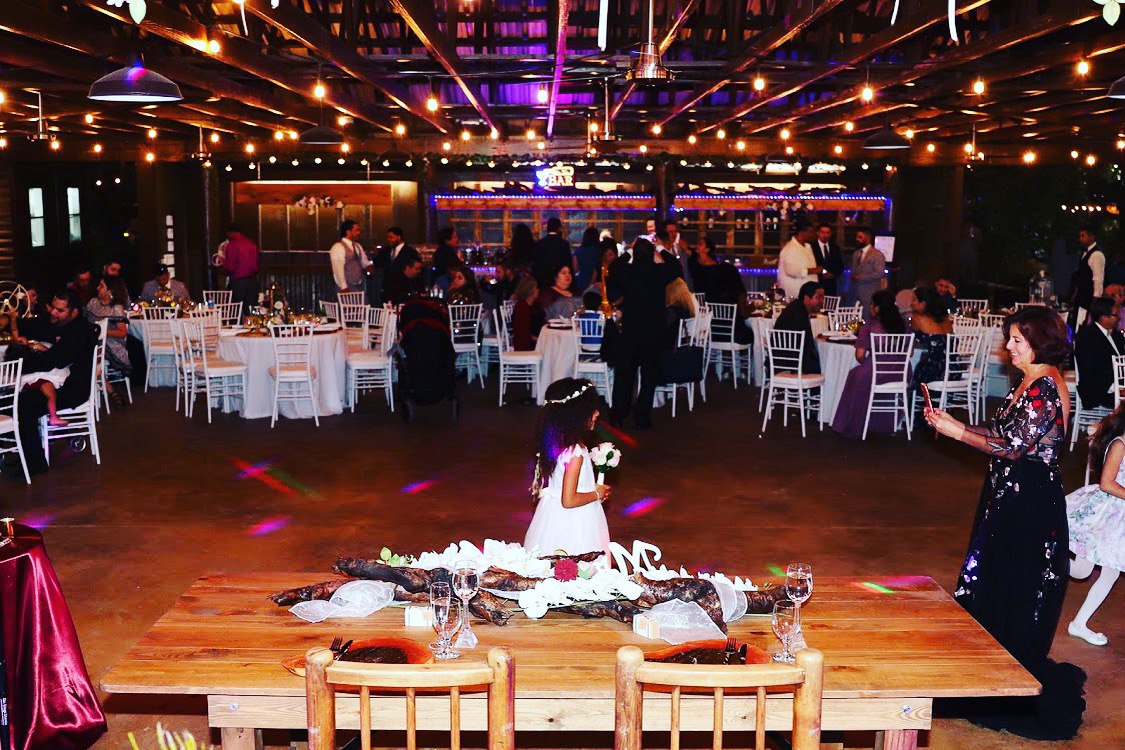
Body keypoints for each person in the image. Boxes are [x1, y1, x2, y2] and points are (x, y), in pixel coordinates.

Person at [926, 307, 1085, 740]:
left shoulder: (1046, 387)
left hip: (1030, 505)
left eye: (1017, 340)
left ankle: (1009, 680)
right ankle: (988, 666)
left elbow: (1013, 448)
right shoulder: (1026, 381)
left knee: (1016, 587)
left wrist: (958, 434)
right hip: (1007, 498)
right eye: (1009, 338)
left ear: (1040, 342)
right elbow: (1001, 432)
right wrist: (955, 423)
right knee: (993, 581)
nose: (1008, 346)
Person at [524, 378, 612, 558]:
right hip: (574, 522)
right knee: (578, 564)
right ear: (577, 414)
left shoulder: (558, 444)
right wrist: (597, 493)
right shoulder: (576, 452)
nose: (597, 413)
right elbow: (569, 500)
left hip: (552, 517)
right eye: (591, 408)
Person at [12, 290, 98, 474]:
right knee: (16, 396)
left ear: (74, 312)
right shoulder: (66, 323)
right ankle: (24, 452)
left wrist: (20, 367)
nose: (53, 312)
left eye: (60, 310)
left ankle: (34, 463)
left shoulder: (79, 332)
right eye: (53, 307)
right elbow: (38, 327)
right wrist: (11, 321)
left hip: (74, 389)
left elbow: (52, 361)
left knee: (23, 403)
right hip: (62, 381)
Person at [1064, 406, 1124, 647]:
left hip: (1119, 518)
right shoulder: (1120, 444)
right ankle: (1039, 554)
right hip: (1104, 513)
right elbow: (1107, 483)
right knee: (1081, 571)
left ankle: (1079, 623)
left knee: (1111, 572)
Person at [609, 238, 677, 429]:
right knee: (649, 378)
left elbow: (613, 267)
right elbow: (675, 266)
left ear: (635, 254)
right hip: (654, 332)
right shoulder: (659, 272)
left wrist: (628, 252)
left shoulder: (627, 271)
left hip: (631, 331)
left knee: (624, 375)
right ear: (652, 254)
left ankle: (619, 414)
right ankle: (642, 416)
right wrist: (661, 248)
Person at [831, 289, 908, 438]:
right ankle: (884, 423)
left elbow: (859, 355)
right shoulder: (903, 324)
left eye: (872, 304)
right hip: (901, 370)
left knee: (854, 375)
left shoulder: (870, 326)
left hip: (876, 369)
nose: (870, 307)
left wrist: (868, 363)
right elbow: (909, 353)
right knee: (859, 375)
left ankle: (852, 424)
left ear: (877, 308)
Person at [1073, 296, 1124, 409]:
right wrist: (1117, 388)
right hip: (1100, 391)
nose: (1119, 318)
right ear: (1103, 317)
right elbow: (1090, 370)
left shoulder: (1116, 336)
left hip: (1117, 387)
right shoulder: (1087, 336)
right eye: (1115, 315)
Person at [909, 286, 953, 397]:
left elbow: (910, 339)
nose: (911, 303)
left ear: (923, 304)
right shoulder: (946, 319)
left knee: (909, 365)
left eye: (914, 300)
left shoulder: (917, 318)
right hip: (951, 370)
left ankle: (910, 402)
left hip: (930, 371)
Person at [84, 277, 132, 381]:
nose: (97, 288)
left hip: (110, 344)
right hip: (92, 340)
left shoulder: (116, 308)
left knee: (87, 350)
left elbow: (122, 333)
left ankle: (99, 380)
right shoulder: (93, 303)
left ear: (110, 291)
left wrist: (100, 331)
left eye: (101, 286)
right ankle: (103, 383)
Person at [773, 281, 825, 375]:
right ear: (806, 298)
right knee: (825, 363)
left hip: (780, 361)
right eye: (818, 297)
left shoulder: (796, 307)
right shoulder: (799, 313)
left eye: (823, 297)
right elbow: (806, 346)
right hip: (791, 365)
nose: (822, 301)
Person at [1069, 224, 1105, 328]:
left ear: (1091, 237)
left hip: (1088, 297)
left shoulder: (1096, 254)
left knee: (1084, 323)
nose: (1080, 239)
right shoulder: (1084, 253)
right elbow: (1081, 276)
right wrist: (1076, 293)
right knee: (1077, 321)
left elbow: (1098, 279)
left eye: (1083, 236)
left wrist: (1095, 300)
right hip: (1082, 295)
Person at [222, 224, 259, 316]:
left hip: (238, 281)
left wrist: (222, 264)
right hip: (252, 281)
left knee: (235, 312)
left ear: (230, 233)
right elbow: (255, 264)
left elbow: (229, 266)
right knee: (251, 310)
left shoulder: (232, 245)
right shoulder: (251, 243)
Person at [329, 219, 373, 298]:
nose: (358, 233)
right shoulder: (338, 247)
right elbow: (338, 269)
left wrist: (368, 266)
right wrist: (343, 286)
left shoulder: (358, 246)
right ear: (348, 232)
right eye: (356, 230)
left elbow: (364, 261)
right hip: (347, 287)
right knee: (349, 306)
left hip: (360, 285)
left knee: (363, 305)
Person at [849, 227, 885, 318]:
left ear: (868, 238)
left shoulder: (877, 254)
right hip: (855, 293)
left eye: (860, 237)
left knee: (868, 318)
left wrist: (861, 277)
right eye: (857, 237)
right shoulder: (856, 254)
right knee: (854, 318)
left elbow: (879, 273)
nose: (857, 239)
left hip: (869, 293)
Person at [777, 222, 819, 300]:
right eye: (810, 232)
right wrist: (812, 270)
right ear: (801, 232)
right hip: (795, 292)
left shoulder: (808, 247)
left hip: (808, 293)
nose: (812, 235)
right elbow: (791, 271)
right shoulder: (790, 248)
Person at [531, 217, 574, 289]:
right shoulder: (564, 244)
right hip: (559, 280)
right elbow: (567, 263)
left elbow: (535, 264)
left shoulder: (539, 243)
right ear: (559, 228)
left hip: (542, 280)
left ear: (547, 228)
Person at [511, 276, 543, 351]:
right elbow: (524, 334)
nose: (538, 290)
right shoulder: (522, 308)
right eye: (536, 288)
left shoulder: (533, 305)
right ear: (530, 291)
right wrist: (539, 339)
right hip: (527, 346)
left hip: (535, 341)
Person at [812, 223, 845, 297]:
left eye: (828, 233)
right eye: (822, 232)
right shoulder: (811, 247)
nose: (825, 235)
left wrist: (832, 274)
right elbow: (813, 265)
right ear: (818, 233)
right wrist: (824, 272)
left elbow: (840, 266)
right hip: (815, 284)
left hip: (831, 286)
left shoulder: (835, 248)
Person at [573, 226, 600, 293]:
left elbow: (575, 268)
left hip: (581, 282)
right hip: (596, 282)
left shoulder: (578, 251)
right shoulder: (599, 251)